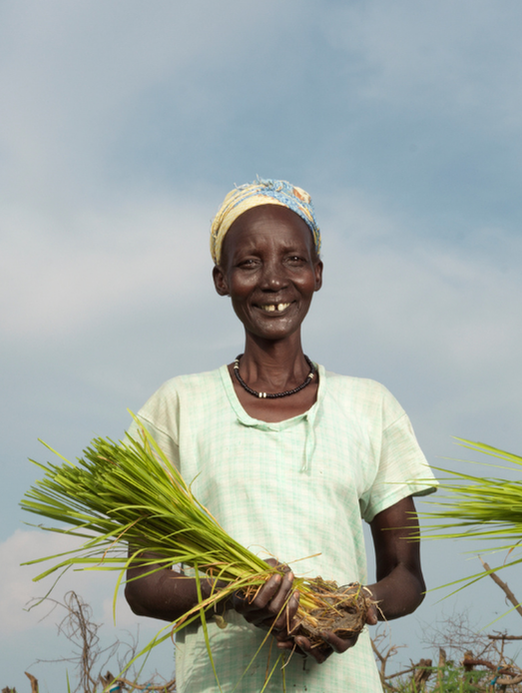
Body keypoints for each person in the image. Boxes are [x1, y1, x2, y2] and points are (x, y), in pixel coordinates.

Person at [122, 180, 436, 692]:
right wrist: (234, 591)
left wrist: (351, 607)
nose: (273, 281)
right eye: (249, 263)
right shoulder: (178, 407)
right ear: (222, 279)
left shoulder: (369, 406)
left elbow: (407, 576)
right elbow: (144, 584)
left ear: (316, 274)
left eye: (293, 260)